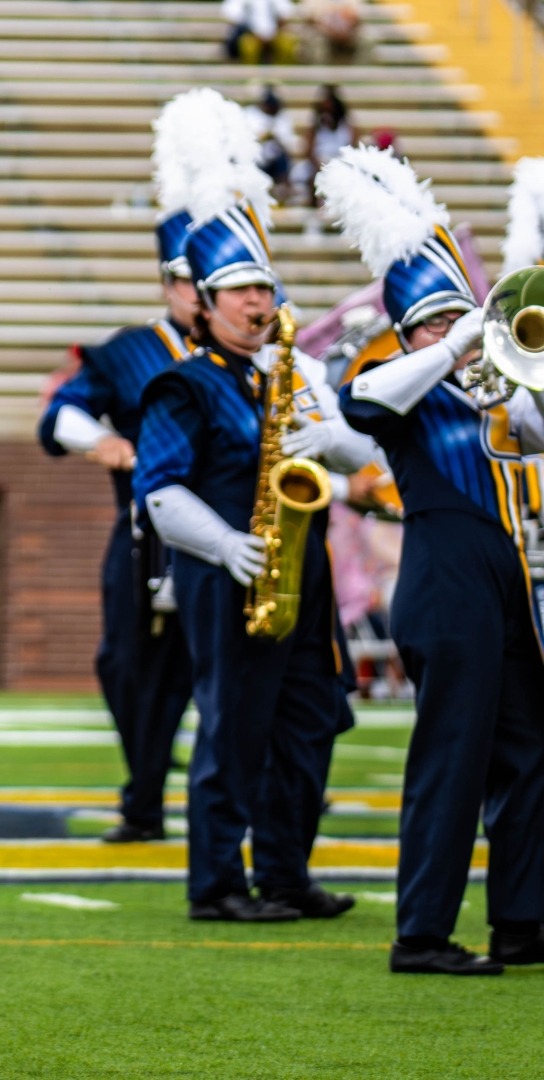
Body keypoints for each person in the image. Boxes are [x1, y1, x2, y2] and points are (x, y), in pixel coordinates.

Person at [134, 97, 373, 923]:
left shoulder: (292, 371)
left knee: (310, 721)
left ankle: (285, 870)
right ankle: (216, 884)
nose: (256, 303)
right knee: (234, 726)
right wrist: (227, 545)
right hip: (227, 570)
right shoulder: (184, 383)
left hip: (301, 568)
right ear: (205, 303)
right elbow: (159, 491)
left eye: (264, 289)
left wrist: (324, 432)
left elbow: (361, 457)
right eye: (239, 292)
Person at [321, 146, 544, 975]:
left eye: (462, 316)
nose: (458, 332)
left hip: (505, 577)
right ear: (411, 329)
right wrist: (454, 346)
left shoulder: (493, 392)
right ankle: (420, 933)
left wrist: (515, 367)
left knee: (528, 750)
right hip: (445, 576)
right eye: (439, 320)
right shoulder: (395, 381)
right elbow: (360, 403)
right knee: (452, 754)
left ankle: (522, 919)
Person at [38, 90, 209, 845]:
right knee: (125, 664)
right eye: (190, 280)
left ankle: (248, 793)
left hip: (235, 525)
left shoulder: (255, 350)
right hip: (145, 530)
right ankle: (146, 793)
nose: (201, 294)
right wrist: (100, 443)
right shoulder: (132, 349)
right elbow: (62, 413)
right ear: (168, 284)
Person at [294, 85, 356, 205]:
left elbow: (352, 148)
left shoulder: (346, 126)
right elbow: (309, 151)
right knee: (311, 176)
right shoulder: (316, 126)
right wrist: (320, 166)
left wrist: (339, 165)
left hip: (340, 162)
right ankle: (314, 202)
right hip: (318, 163)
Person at [245, 85, 296, 202]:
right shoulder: (249, 114)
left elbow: (288, 145)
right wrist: (262, 137)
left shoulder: (283, 117)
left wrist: (274, 137)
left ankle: (282, 193)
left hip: (277, 160)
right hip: (256, 158)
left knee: (283, 159)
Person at [223, 0, 295, 63]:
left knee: (286, 44)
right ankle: (250, 73)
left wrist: (271, 34)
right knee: (248, 45)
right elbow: (234, 15)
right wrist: (254, 32)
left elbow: (285, 12)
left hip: (275, 34)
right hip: (249, 34)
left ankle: (281, 73)